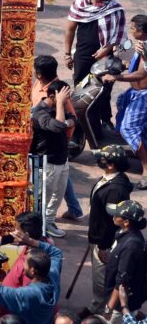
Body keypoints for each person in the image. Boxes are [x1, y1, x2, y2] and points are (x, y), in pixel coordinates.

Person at [64, 0, 125, 137]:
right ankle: (80, 123)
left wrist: (107, 49)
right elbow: (70, 30)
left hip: (106, 56)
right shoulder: (79, 5)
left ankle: (104, 121)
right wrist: (66, 54)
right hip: (83, 54)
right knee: (81, 88)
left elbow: (119, 35)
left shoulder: (114, 7)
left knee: (104, 89)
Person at [81, 145, 133, 318]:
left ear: (111, 165)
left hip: (104, 243)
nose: (99, 160)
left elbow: (111, 223)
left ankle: (101, 310)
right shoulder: (109, 179)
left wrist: (103, 246)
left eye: (103, 158)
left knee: (102, 280)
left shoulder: (115, 190)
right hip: (97, 236)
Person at [31, 54, 84, 221]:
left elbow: (69, 121)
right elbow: (60, 124)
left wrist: (63, 134)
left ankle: (51, 220)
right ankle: (43, 222)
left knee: (57, 188)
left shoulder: (60, 93)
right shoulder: (41, 98)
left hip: (57, 149)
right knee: (49, 190)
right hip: (45, 151)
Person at [103, 15, 147, 186]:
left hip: (143, 95)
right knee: (121, 108)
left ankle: (145, 166)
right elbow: (128, 60)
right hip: (133, 92)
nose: (131, 31)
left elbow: (141, 74)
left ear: (141, 31)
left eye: (133, 28)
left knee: (129, 128)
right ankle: (137, 148)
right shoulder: (138, 45)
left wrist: (117, 77)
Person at [0, 229, 62, 324]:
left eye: (25, 261)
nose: (23, 262)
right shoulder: (53, 275)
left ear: (32, 271)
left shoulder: (28, 294)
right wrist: (29, 241)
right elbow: (56, 252)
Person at [31, 80, 74, 238]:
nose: (66, 102)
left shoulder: (59, 108)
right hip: (47, 162)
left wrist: (64, 116)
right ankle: (40, 226)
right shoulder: (40, 113)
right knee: (44, 197)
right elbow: (57, 126)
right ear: (51, 96)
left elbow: (72, 120)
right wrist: (61, 109)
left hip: (63, 159)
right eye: (63, 98)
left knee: (58, 194)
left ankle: (49, 221)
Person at [101, 200, 147, 322]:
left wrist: (109, 308)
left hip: (120, 305)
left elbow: (122, 282)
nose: (113, 216)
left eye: (116, 215)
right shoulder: (123, 232)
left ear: (126, 222)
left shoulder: (131, 247)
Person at [2, 212, 53, 291]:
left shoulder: (32, 265)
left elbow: (28, 295)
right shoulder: (45, 242)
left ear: (26, 235)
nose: (13, 232)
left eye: (17, 230)